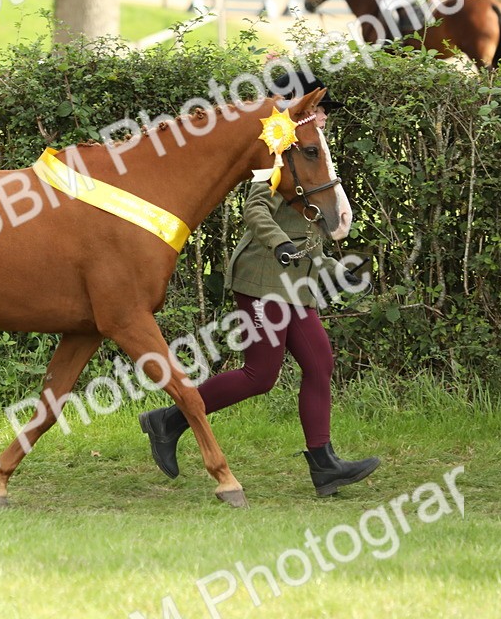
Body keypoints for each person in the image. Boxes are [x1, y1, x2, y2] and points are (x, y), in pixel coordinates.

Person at [139, 74, 380, 497]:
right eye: (322, 111)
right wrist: (281, 245)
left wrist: (329, 265)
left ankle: (324, 465)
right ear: (303, 111)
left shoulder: (310, 150)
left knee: (320, 363)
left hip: (296, 282)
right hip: (264, 276)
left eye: (325, 114)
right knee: (260, 375)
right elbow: (255, 209)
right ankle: (170, 420)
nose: (325, 119)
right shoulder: (275, 148)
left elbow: (308, 227)